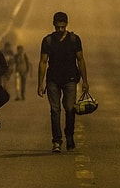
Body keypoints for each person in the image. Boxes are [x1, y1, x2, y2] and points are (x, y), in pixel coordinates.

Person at [38, 11, 90, 153]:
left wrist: (85, 81)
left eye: (62, 27)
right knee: (55, 110)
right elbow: (43, 62)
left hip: (70, 79)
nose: (60, 30)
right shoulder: (48, 41)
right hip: (53, 79)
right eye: (57, 27)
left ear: (66, 24)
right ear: (54, 25)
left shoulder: (74, 40)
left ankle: (69, 135)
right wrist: (40, 84)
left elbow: (80, 60)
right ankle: (56, 141)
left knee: (69, 108)